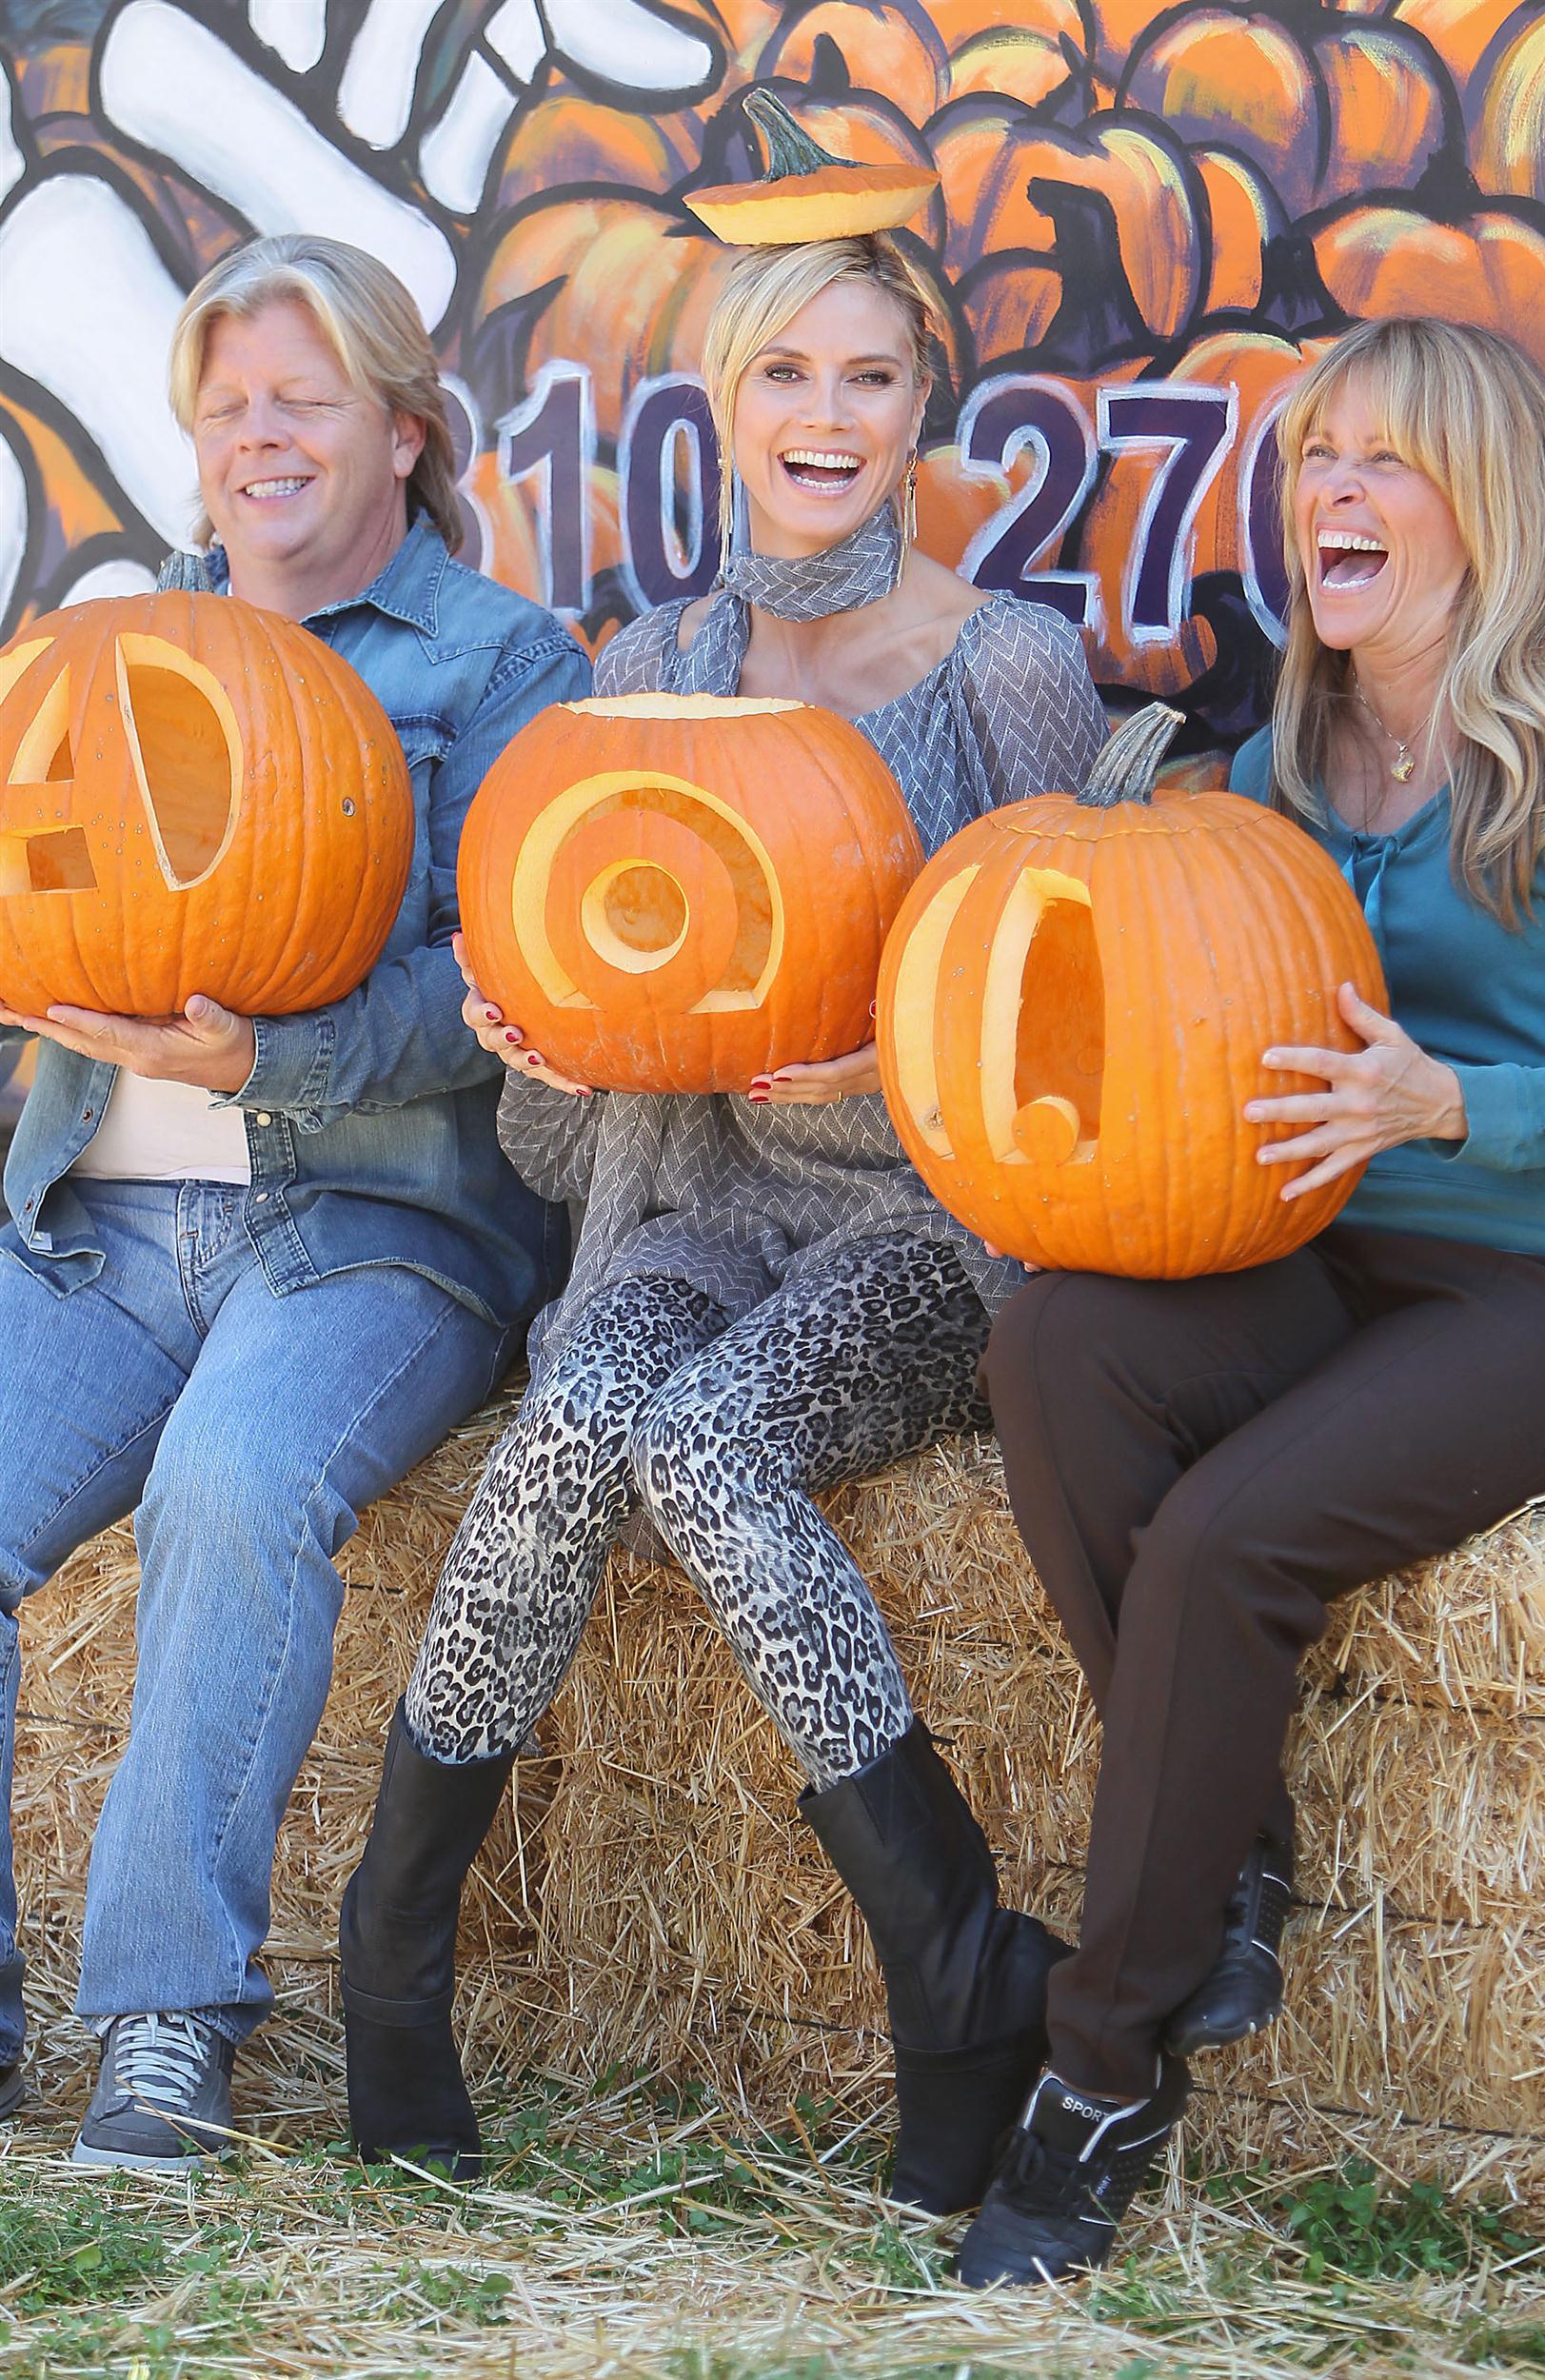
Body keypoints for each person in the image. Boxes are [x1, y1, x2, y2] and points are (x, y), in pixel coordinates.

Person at [338, 227, 1109, 2211]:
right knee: (569, 1429)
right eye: (784, 378)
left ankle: (949, 1972)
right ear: (719, 407)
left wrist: (879, 1068)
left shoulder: (1003, 669)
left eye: (864, 379)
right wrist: (541, 1036)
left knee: (701, 1442)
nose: (824, 419)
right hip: (689, 1203)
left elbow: (1079, 1027)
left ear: (920, 406)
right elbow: (577, 1110)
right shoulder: (644, 676)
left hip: (919, 1232)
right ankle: (391, 1957)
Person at [961, 315, 1545, 2286]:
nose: (1332, 493)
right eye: (1313, 458)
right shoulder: (1265, 765)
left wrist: (1461, 1097)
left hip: (1534, 1276)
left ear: (1480, 505)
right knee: (1051, 1342)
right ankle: (1226, 1848)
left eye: (1383, 461)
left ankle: (1095, 2074)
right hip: (1312, 1251)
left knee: (1225, 1538)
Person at [0, 234, 587, 2167]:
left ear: (401, 432)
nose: (258, 437)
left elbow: (511, 990)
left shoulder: (497, 662)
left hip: (373, 1223)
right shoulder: (112, 644)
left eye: (301, 399)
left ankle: (167, 2023)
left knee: (232, 1489)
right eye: (227, 405)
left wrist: (276, 1056)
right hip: (111, 1218)